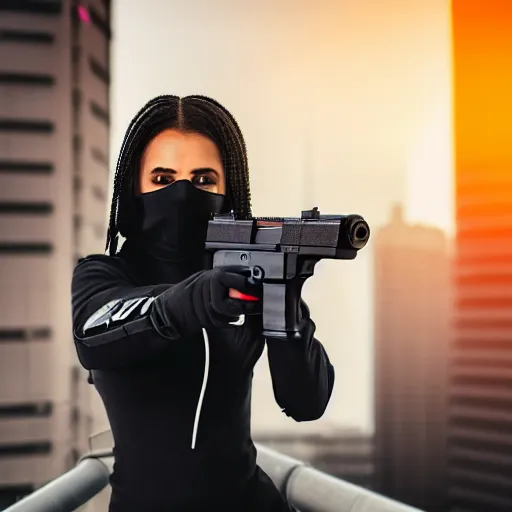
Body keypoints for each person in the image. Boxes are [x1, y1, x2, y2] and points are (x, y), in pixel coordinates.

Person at [71, 95, 335, 512]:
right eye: (162, 177)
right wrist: (194, 298)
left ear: (228, 190)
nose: (181, 194)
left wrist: (286, 305)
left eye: (203, 178)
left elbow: (307, 402)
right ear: (133, 188)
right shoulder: (103, 275)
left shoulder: (251, 273)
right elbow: (93, 333)